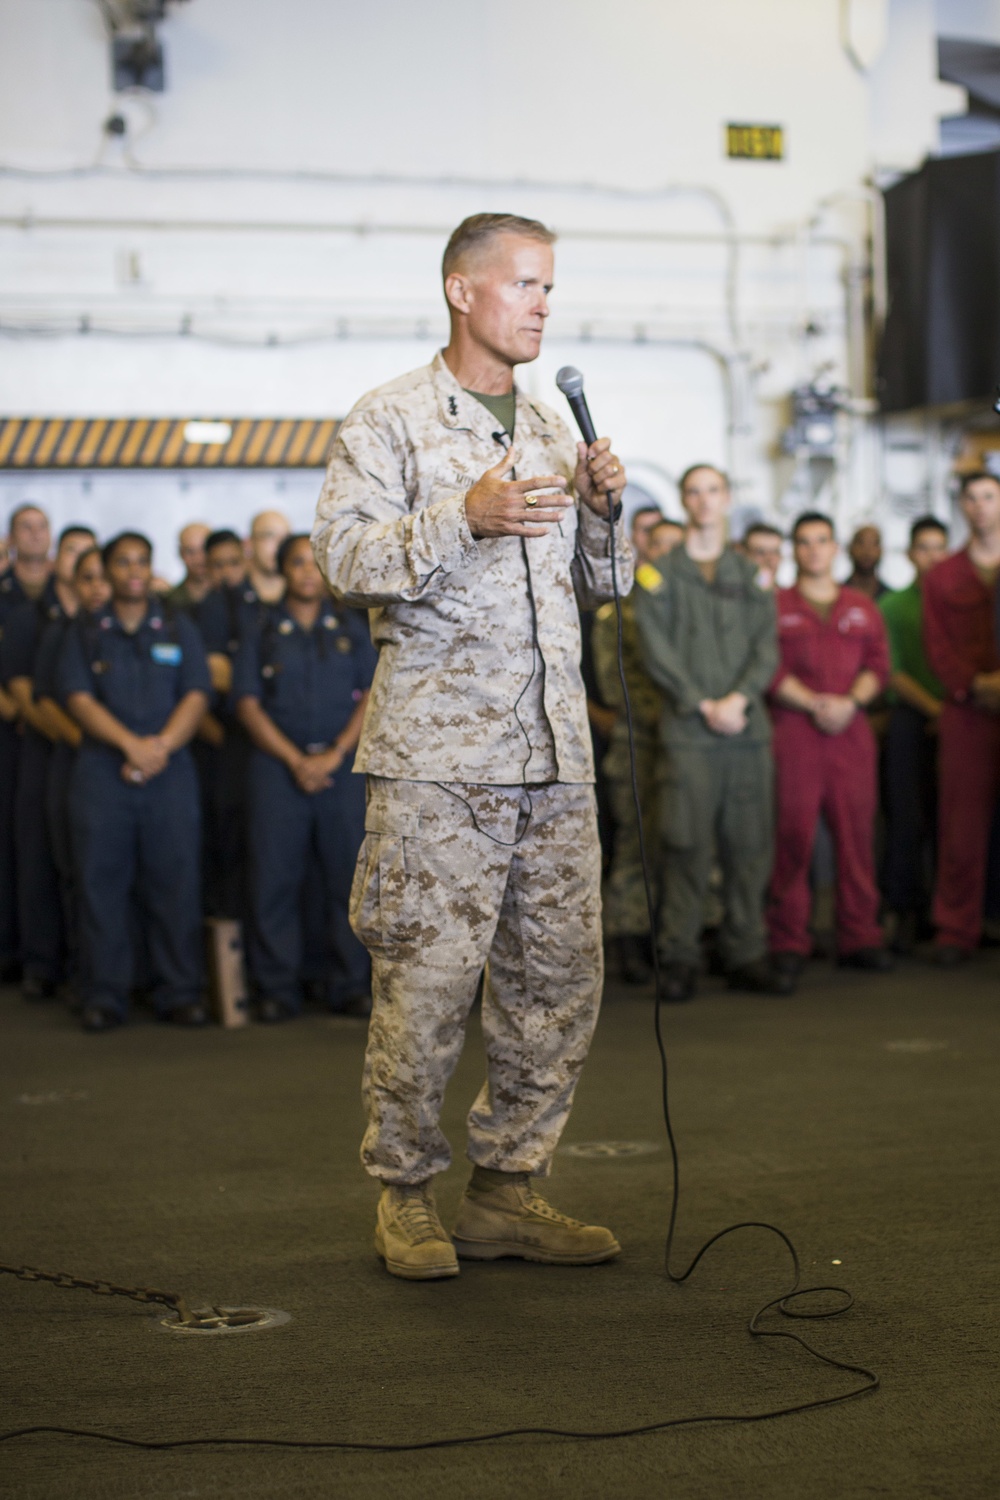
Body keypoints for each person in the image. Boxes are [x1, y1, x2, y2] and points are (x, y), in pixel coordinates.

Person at [312, 211, 630, 1281]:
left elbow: (606, 587)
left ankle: (508, 1188)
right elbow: (347, 561)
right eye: (528, 285)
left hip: (553, 759)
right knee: (427, 982)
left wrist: (602, 514)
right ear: (463, 290)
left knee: (556, 980)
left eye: (551, 289)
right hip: (440, 765)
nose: (544, 304)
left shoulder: (547, 426)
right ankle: (404, 1195)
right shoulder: (389, 420)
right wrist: (466, 514)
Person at [633, 464, 785, 1002]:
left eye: (713, 490)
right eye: (693, 491)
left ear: (726, 498)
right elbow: (656, 650)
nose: (703, 500)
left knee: (749, 848)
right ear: (683, 499)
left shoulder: (753, 576)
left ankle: (747, 952)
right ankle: (679, 956)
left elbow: (767, 647)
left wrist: (738, 700)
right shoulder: (657, 575)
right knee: (685, 847)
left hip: (745, 731)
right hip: (689, 733)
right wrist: (702, 703)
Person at [58, 532, 211, 1031]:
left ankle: (179, 992)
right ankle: (104, 994)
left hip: (169, 774)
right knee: (102, 887)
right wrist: (130, 747)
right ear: (106, 570)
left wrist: (158, 749)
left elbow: (196, 694)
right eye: (122, 562)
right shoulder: (84, 630)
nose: (134, 571)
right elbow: (79, 698)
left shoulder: (177, 625)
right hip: (104, 774)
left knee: (175, 884)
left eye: (142, 561)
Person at [233, 535, 376, 1021]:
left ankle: (349, 983)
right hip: (278, 769)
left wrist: (335, 753)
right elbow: (247, 703)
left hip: (341, 767)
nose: (308, 573)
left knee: (346, 880)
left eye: (316, 564)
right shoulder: (262, 629)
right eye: (297, 564)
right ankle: (276, 987)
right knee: (274, 881)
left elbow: (371, 697)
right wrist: (296, 760)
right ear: (282, 571)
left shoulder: (352, 628)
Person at [767, 513, 892, 975]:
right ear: (794, 550)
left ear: (835, 548)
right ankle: (788, 939)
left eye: (822, 540)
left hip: (850, 731)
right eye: (804, 542)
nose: (814, 549)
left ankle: (860, 935)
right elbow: (768, 667)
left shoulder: (861, 607)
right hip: (795, 730)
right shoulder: (776, 605)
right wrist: (814, 702)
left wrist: (848, 703)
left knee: (857, 836)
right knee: (793, 835)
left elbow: (879, 666)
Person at [0, 525, 96, 998]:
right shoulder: (27, 616)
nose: (82, 565)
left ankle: (87, 967)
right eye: (73, 553)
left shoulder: (102, 619)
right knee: (39, 861)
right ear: (59, 559)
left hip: (96, 760)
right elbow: (25, 696)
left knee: (90, 868)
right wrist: (87, 741)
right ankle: (41, 965)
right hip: (44, 754)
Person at [591, 518, 683, 983]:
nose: (667, 553)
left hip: (682, 740)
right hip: (638, 742)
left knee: (677, 840)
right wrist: (670, 711)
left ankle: (669, 937)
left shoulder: (686, 603)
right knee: (635, 843)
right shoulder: (620, 608)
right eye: (659, 543)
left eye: (675, 545)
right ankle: (626, 936)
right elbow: (615, 683)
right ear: (644, 547)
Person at [922, 472, 1000, 963]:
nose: (979, 506)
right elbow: (937, 646)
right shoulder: (942, 576)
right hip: (968, 711)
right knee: (961, 824)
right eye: (969, 498)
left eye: (989, 497)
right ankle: (955, 929)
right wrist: (976, 684)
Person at [34, 546, 111, 1005]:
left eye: (104, 578)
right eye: (88, 579)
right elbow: (45, 700)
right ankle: (81, 976)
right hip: (79, 766)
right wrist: (95, 746)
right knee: (79, 874)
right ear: (74, 585)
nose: (98, 587)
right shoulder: (63, 633)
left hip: (127, 768)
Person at [879, 516, 949, 950]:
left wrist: (951, 709)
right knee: (906, 819)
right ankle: (904, 910)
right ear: (909, 554)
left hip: (960, 718)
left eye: (940, 547)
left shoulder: (961, 602)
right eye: (924, 547)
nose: (932, 556)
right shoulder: (892, 606)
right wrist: (933, 708)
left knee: (952, 822)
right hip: (908, 718)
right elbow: (891, 669)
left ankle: (950, 915)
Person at [0, 503, 53, 982]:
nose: (35, 535)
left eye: (42, 527)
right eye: (25, 527)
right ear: (11, 537)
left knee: (41, 846)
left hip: (48, 736)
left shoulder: (65, 594)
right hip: (9, 737)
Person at [165, 522, 212, 613]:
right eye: (190, 551)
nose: (199, 558)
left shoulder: (231, 594)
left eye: (204, 549)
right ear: (181, 553)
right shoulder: (169, 601)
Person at [247, 511, 291, 605]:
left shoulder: (306, 597)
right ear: (250, 542)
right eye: (269, 535)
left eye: (285, 538)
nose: (279, 544)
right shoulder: (228, 599)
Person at [845, 523, 888, 601]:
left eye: (874, 544)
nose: (867, 551)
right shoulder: (835, 596)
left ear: (881, 551)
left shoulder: (890, 598)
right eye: (861, 543)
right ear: (850, 549)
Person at [741, 522, 784, 590]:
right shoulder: (728, 597)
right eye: (760, 552)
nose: (770, 559)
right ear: (744, 555)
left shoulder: (785, 597)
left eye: (775, 552)